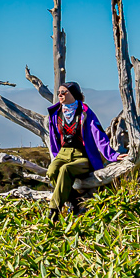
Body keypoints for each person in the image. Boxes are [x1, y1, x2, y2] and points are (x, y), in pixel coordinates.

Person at [45, 82, 119, 216]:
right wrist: (56, 155)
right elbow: (53, 137)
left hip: (82, 155)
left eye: (64, 92)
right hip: (63, 153)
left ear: (73, 93)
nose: (60, 95)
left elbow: (98, 135)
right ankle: (75, 201)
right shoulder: (55, 114)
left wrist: (113, 155)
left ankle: (53, 211)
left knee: (65, 170)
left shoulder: (85, 112)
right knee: (51, 172)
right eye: (58, 93)